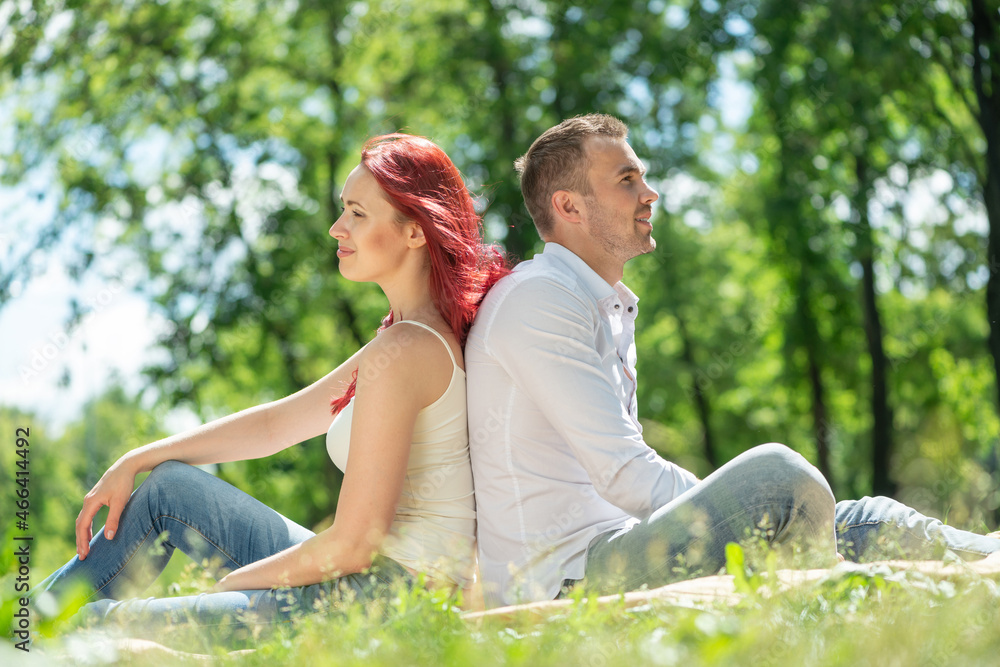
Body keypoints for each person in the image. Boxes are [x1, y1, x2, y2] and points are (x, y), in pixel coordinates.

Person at [465, 113, 1000, 608]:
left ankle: (986, 560)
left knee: (868, 519)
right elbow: (626, 475)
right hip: (564, 582)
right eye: (627, 180)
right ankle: (818, 601)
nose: (649, 194)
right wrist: (742, 508)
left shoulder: (602, 305)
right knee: (778, 476)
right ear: (570, 207)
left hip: (622, 545)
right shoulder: (540, 299)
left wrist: (739, 512)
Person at [34, 133, 509, 641]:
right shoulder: (404, 339)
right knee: (169, 485)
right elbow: (275, 424)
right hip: (373, 582)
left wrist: (234, 586)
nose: (336, 228)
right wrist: (138, 458)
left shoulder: (410, 351)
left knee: (84, 628)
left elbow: (352, 546)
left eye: (356, 213)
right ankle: (25, 621)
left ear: (415, 232)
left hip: (390, 601)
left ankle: (21, 631)